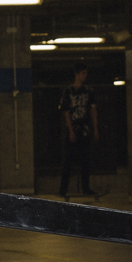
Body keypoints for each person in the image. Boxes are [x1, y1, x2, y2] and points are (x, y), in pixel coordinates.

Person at [57, 67, 99, 198]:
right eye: (83, 73)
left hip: (85, 128)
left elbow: (93, 110)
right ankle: (62, 189)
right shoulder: (68, 91)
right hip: (73, 127)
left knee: (86, 160)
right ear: (77, 74)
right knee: (68, 160)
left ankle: (86, 188)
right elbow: (66, 112)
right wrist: (70, 130)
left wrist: (95, 128)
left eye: (86, 73)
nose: (85, 76)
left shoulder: (88, 91)